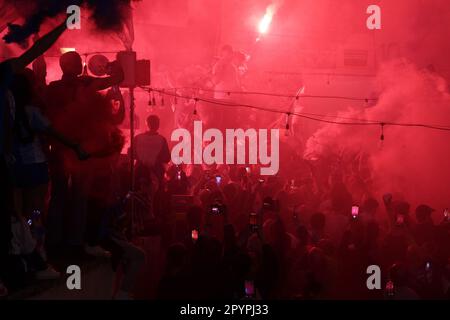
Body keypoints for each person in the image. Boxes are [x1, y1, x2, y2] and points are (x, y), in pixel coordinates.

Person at [0, 18, 67, 297]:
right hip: (16, 165)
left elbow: (35, 52)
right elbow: (35, 52)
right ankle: (28, 262)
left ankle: (22, 264)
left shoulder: (6, 79)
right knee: (23, 215)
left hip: (10, 163)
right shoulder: (6, 78)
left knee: (16, 216)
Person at [44, 50, 124, 256]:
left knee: (58, 195)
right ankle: (74, 242)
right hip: (81, 151)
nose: (82, 64)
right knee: (79, 196)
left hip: (59, 148)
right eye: (79, 61)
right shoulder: (85, 84)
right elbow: (118, 79)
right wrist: (116, 66)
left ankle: (54, 242)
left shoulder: (52, 89)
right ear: (75, 65)